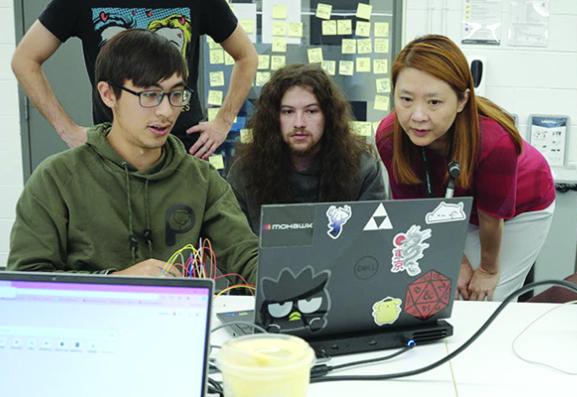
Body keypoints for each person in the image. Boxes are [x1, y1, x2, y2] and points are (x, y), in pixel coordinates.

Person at [7, 29, 257, 282]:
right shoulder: (56, 179)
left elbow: (245, 255)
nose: (166, 111)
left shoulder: (201, 180)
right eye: (150, 95)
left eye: (176, 95)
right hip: (87, 319)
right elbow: (27, 280)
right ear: (108, 94)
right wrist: (116, 281)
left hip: (174, 318)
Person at [375, 34, 556, 301]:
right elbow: (415, 210)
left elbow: (491, 219)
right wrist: (457, 262)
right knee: (444, 288)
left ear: (462, 101)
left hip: (521, 209)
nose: (417, 116)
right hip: (457, 210)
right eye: (406, 99)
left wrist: (487, 269)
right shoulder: (390, 137)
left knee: (487, 299)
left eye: (434, 102)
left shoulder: (494, 143)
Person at [11, 0, 258, 159]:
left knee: (187, 240)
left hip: (184, 149)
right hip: (114, 153)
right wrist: (67, 131)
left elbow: (246, 56)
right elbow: (24, 60)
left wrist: (223, 123)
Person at [227, 64, 387, 233]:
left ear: (329, 116)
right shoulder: (245, 173)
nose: (299, 123)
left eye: (311, 111)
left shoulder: (362, 169)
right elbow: (235, 248)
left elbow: (373, 242)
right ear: (273, 117)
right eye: (288, 112)